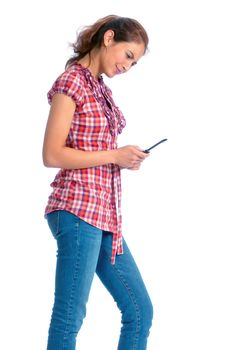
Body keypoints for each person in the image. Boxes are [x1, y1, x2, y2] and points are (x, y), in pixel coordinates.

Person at [43, 14, 153, 350]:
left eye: (134, 64)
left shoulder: (99, 88)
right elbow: (52, 154)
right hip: (77, 210)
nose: (127, 67)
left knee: (139, 310)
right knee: (69, 317)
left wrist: (124, 158)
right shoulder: (72, 82)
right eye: (128, 56)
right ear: (108, 38)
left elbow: (100, 152)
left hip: (105, 216)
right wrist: (113, 156)